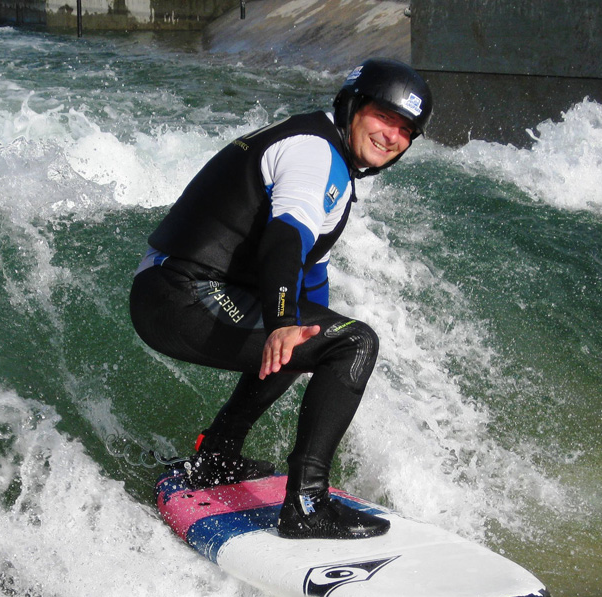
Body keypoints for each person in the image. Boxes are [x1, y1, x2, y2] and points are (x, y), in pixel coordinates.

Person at [130, 58, 433, 539]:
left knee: (315, 334)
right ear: (352, 106)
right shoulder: (315, 154)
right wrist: (281, 322)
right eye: (383, 117)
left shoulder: (327, 156)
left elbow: (309, 273)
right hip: (183, 293)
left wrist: (307, 333)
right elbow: (285, 239)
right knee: (354, 343)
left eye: (405, 130)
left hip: (177, 286)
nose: (392, 136)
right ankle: (307, 504)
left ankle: (217, 456)